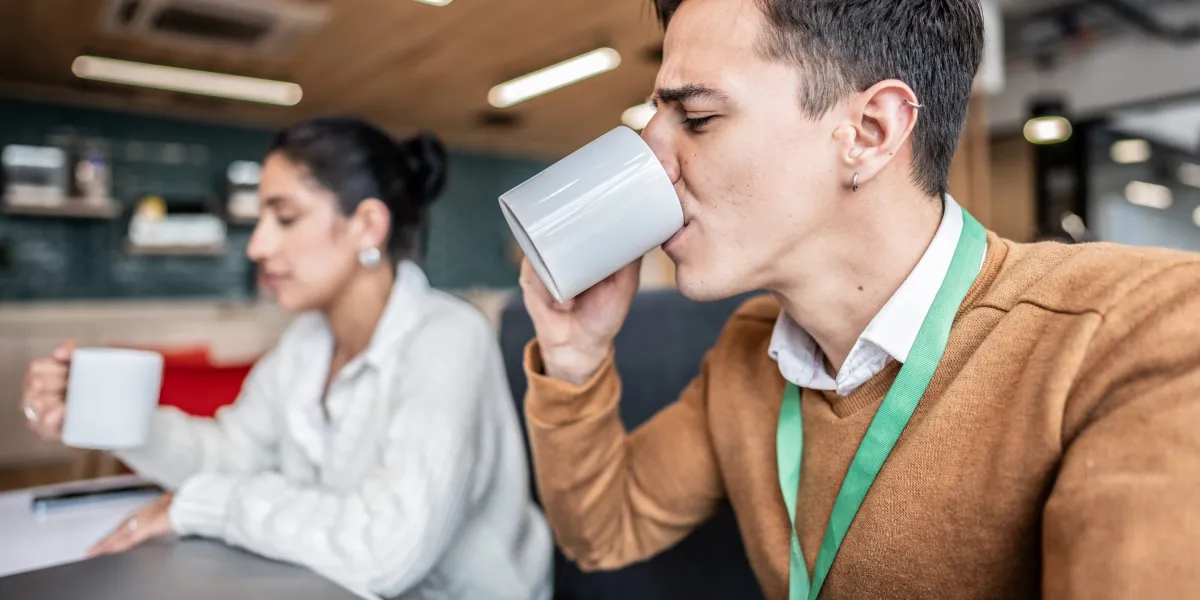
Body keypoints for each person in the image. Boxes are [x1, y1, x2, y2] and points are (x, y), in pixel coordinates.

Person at [516, 0, 1200, 599]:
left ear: (870, 132)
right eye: (656, 116)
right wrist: (574, 358)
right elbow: (606, 528)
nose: (650, 157)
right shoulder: (750, 355)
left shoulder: (1137, 328)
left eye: (695, 118)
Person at [22, 117, 553, 600]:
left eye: (285, 217)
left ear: (367, 226)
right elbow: (230, 455)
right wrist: (113, 417)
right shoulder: (305, 342)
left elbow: (384, 551)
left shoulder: (449, 337)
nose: (256, 246)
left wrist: (208, 506)